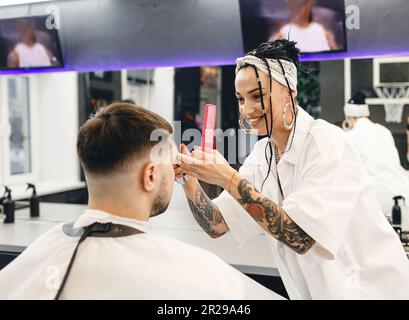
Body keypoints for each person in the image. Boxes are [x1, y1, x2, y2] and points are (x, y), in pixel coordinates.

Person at [177, 40, 409, 299]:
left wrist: (227, 177)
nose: (246, 109)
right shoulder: (263, 154)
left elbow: (300, 236)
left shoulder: (326, 143)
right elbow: (217, 225)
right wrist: (189, 181)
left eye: (257, 96)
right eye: (241, 99)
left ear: (289, 93)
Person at [0, 103, 281, 300]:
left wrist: (189, 182)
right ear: (149, 176)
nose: (174, 172)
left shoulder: (38, 256)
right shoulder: (195, 271)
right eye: (170, 164)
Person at [343, 91, 409, 218]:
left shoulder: (349, 137)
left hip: (378, 200)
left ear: (349, 117)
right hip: (403, 195)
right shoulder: (384, 131)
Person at [271, 0, 337, 53]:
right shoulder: (283, 33)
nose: (303, 8)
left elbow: (338, 57)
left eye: (305, 3)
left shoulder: (323, 31)